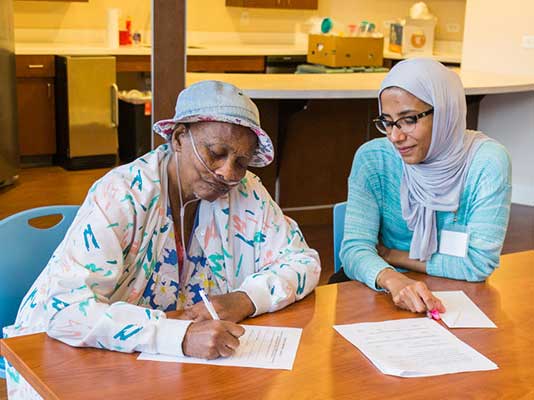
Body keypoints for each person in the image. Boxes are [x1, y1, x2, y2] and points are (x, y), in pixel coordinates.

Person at [7, 80, 320, 361]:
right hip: (70, 354)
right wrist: (177, 337)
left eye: (240, 161)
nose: (228, 172)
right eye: (216, 153)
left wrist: (245, 299)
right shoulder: (122, 194)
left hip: (167, 366)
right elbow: (66, 311)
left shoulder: (245, 189)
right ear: (180, 138)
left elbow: (303, 262)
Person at [337, 58, 511, 314]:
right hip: (381, 290)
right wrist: (393, 279)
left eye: (408, 120)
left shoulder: (487, 163)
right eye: (387, 121)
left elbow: (477, 265)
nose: (395, 136)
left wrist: (392, 255)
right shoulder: (374, 159)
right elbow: (354, 250)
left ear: (444, 112)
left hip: (457, 299)